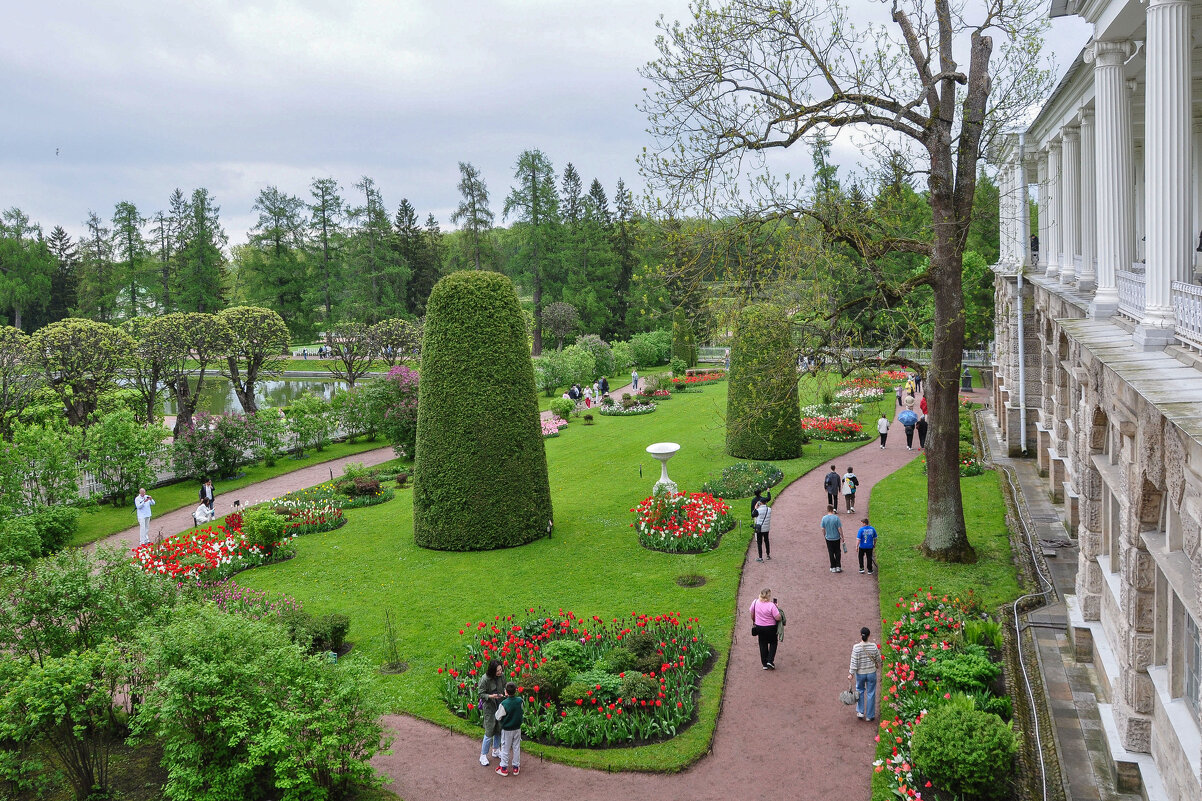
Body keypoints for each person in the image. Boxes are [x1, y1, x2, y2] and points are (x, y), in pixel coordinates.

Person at [848, 627, 883, 721]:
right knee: (871, 693)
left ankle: (860, 711)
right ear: (869, 636)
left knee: (860, 690)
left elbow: (854, 661)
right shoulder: (873, 646)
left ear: (861, 635)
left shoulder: (856, 647)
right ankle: (870, 715)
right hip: (871, 673)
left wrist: (851, 673)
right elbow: (878, 659)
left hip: (860, 673)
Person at [477, 660, 506, 766]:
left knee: (499, 728)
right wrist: (490, 696)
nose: (500, 672)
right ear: (493, 671)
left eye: (501, 669)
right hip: (489, 707)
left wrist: (505, 692)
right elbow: (481, 693)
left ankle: (496, 750)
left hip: (499, 705)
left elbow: (504, 686)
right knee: (489, 731)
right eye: (498, 670)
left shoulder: (501, 677)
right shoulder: (485, 679)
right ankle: (483, 755)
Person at [496, 681, 524, 776]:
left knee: (505, 748)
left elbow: (498, 716)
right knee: (516, 747)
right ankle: (516, 767)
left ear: (506, 692)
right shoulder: (520, 701)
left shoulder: (504, 704)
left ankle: (504, 767)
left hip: (507, 730)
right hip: (517, 728)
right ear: (516, 690)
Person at [749, 588, 782, 669]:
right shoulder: (771, 605)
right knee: (773, 643)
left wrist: (754, 621)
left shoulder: (755, 602)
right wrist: (777, 608)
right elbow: (778, 618)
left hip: (759, 627)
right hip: (771, 628)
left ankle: (764, 664)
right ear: (768, 596)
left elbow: (752, 613)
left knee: (762, 644)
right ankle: (770, 661)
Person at [821, 505, 844, 573]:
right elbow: (839, 528)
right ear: (832, 510)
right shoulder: (836, 518)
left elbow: (823, 528)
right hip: (836, 537)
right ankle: (838, 566)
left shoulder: (824, 518)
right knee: (837, 552)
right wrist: (842, 536)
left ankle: (832, 566)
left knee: (830, 552)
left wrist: (825, 535)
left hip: (828, 538)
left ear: (827, 510)